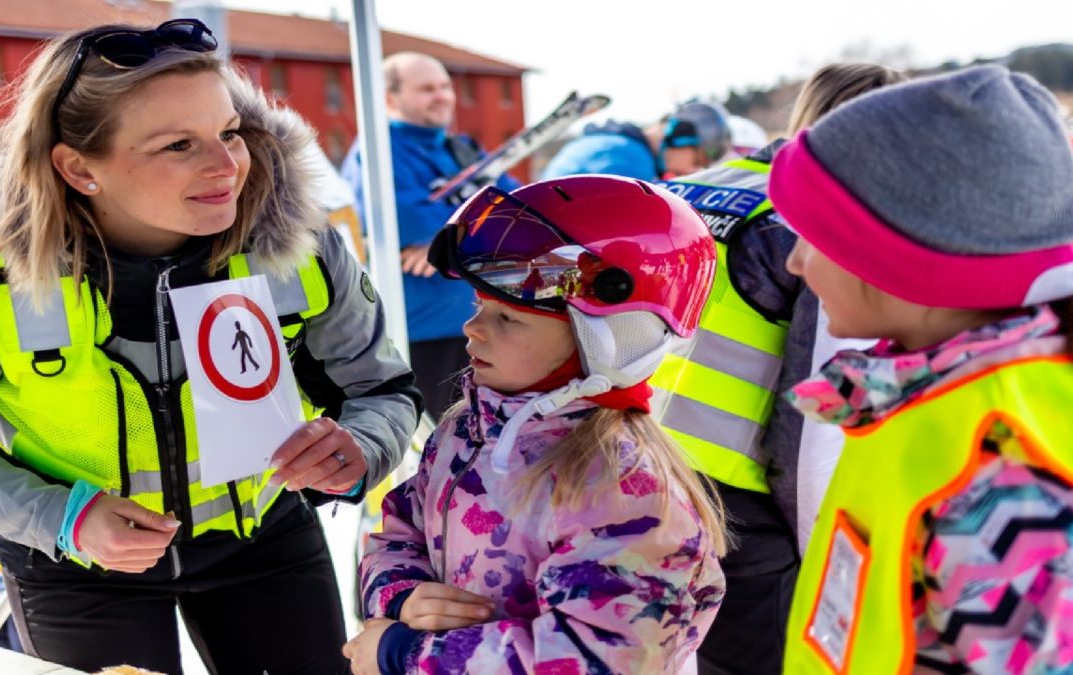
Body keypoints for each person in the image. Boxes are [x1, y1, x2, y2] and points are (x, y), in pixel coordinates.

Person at [0, 19, 419, 674]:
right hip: (73, 562)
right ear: (79, 168)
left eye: (229, 133)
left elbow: (383, 390)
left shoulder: (297, 244)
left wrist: (361, 446)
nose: (228, 166)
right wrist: (65, 517)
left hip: (265, 541)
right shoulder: (2, 276)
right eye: (177, 146)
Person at [343, 175, 729, 675]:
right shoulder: (467, 430)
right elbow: (399, 527)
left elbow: (596, 661)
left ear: (607, 338)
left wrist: (406, 656)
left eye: (510, 319)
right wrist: (403, 595)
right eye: (481, 306)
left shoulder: (623, 489)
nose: (472, 328)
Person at [771, 65, 1073, 673]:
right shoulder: (911, 396)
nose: (796, 264)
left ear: (901, 257)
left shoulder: (1002, 486)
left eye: (815, 237)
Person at [652, 62, 906, 675]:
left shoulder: (685, 189)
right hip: (736, 504)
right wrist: (815, 539)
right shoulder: (821, 218)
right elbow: (813, 413)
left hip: (630, 464)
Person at [342, 52, 520, 422]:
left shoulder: (463, 149)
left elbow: (518, 212)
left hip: (485, 319)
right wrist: (462, 234)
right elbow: (406, 220)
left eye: (444, 87)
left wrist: (447, 244)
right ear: (391, 99)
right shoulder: (379, 150)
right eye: (426, 89)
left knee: (493, 435)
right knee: (447, 441)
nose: (441, 96)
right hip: (423, 333)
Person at [540, 100, 731, 181]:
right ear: (680, 136)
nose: (693, 170)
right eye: (698, 160)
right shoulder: (632, 161)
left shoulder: (615, 143)